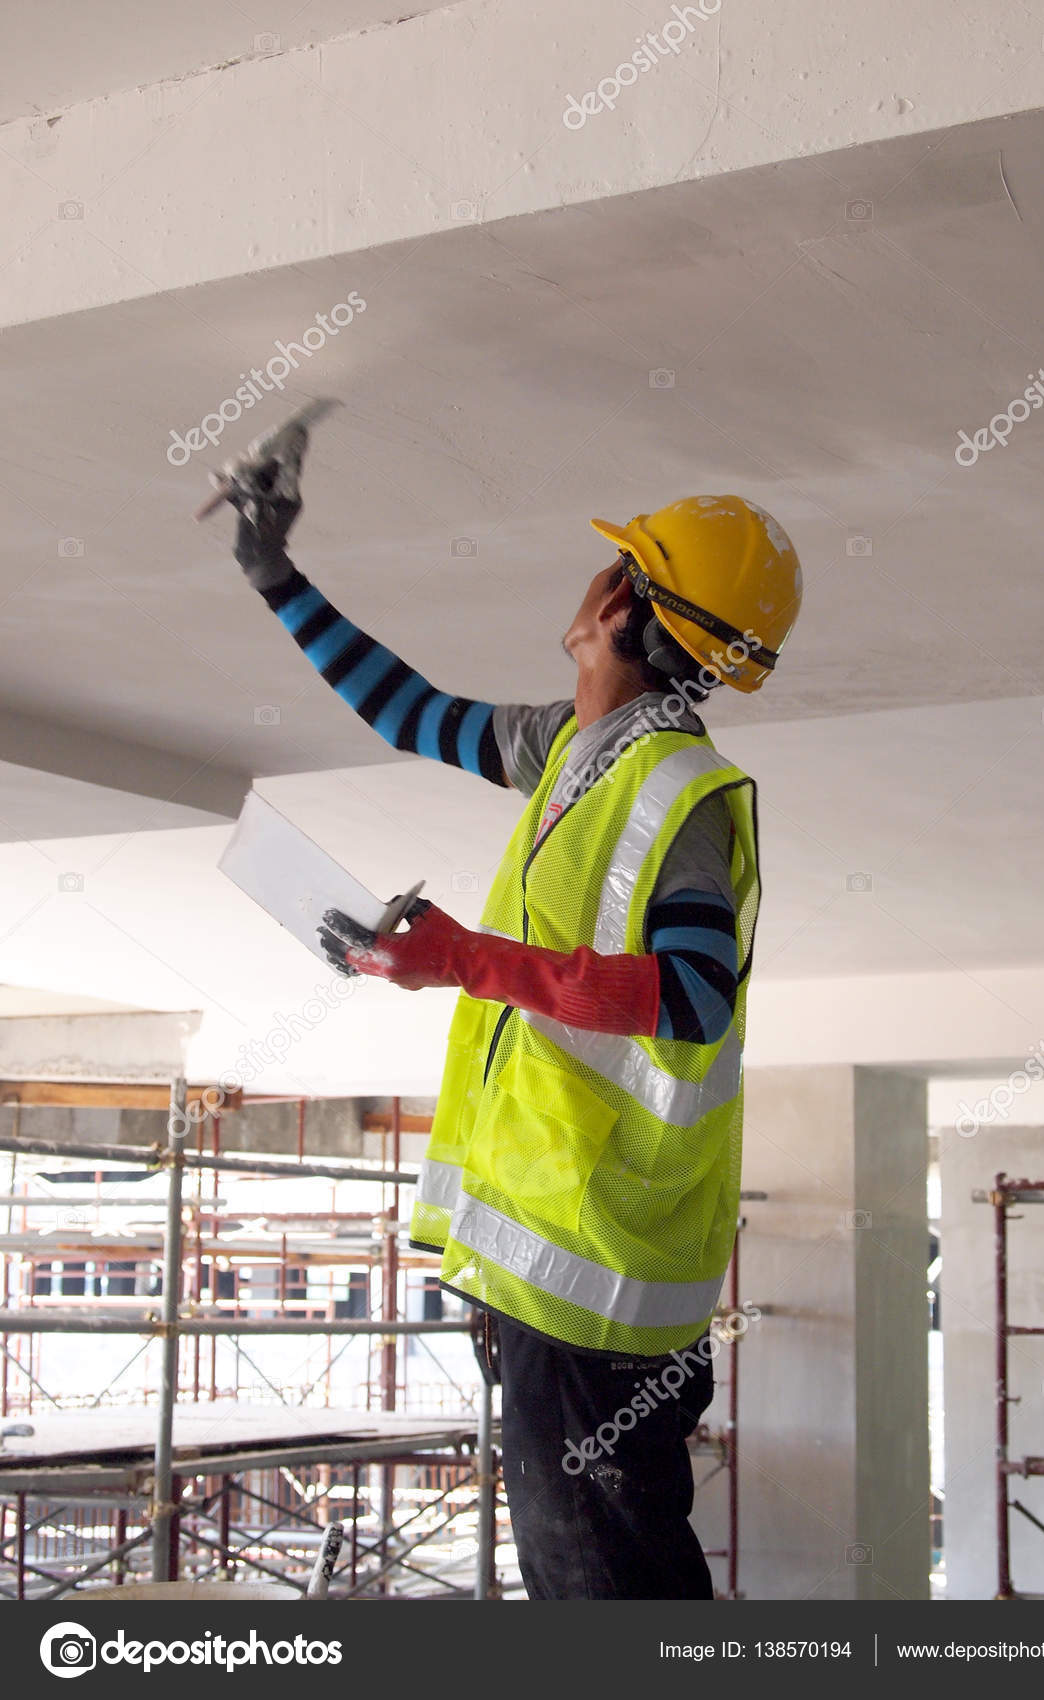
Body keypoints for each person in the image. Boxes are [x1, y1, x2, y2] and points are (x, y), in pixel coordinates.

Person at [222, 428, 802, 1598]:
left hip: (603, 1273)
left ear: (631, 614)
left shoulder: (681, 793)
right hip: (556, 1260)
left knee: (604, 1590)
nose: (588, 585)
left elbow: (689, 997)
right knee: (585, 1579)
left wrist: (462, 959)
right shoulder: (571, 749)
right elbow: (410, 713)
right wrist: (274, 573)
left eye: (618, 571)